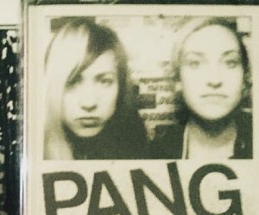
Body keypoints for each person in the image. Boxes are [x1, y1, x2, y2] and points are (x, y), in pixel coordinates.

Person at [43, 18, 149, 159]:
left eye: (105, 81)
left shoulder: (136, 144)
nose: (89, 103)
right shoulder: (32, 148)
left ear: (121, 87)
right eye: (72, 82)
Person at [152, 18, 252, 159]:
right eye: (195, 63)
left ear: (245, 78)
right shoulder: (154, 153)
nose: (214, 80)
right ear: (178, 79)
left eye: (230, 62)